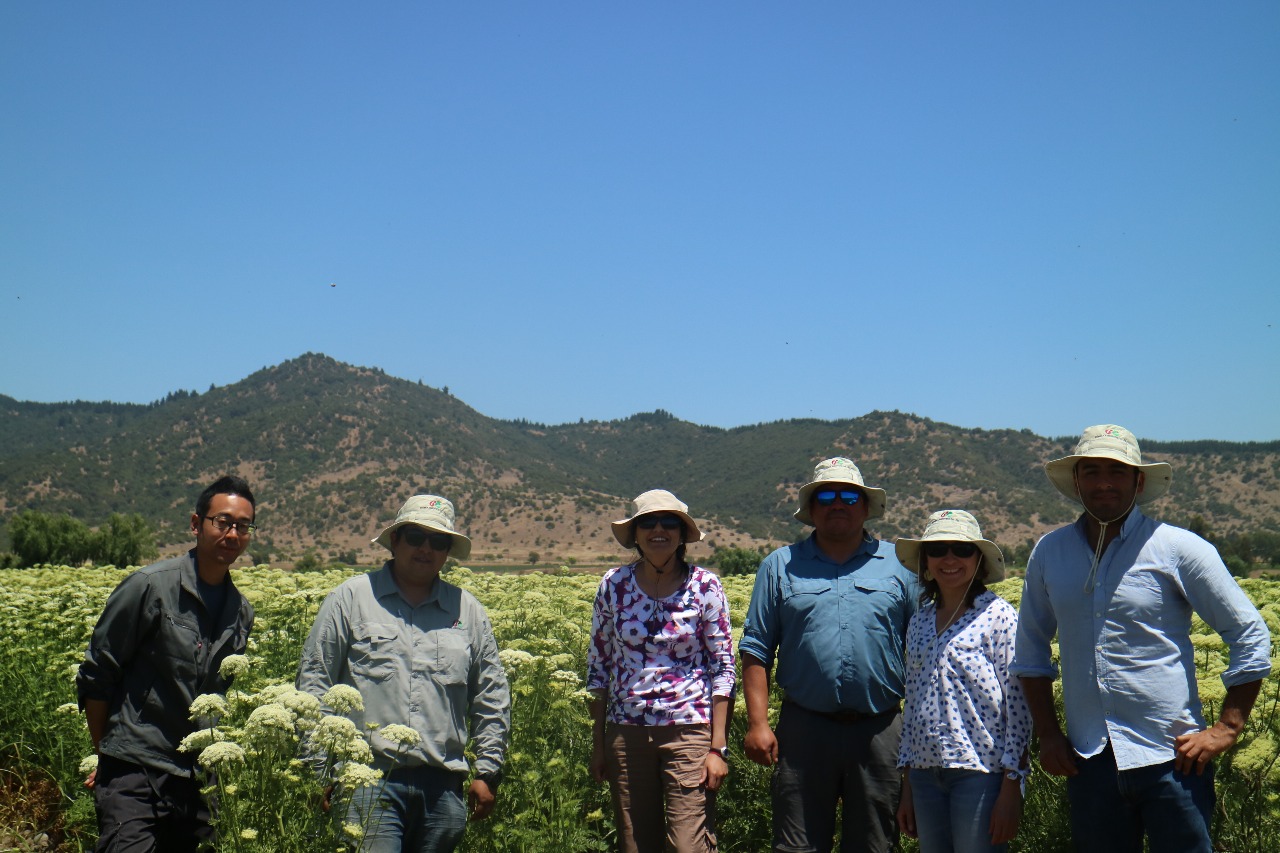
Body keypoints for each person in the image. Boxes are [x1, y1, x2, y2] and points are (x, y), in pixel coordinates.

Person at [1012, 424, 1272, 853]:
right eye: (1091, 472)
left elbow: (1249, 633)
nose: (1104, 483)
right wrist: (1050, 734)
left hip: (1173, 759)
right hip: (1089, 758)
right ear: (1076, 481)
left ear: (1139, 480)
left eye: (1116, 471)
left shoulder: (1178, 548)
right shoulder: (1049, 552)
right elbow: (1030, 652)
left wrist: (1227, 727)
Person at [296, 494, 509, 853]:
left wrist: (488, 771)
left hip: (442, 788)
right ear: (395, 540)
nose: (426, 548)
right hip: (366, 781)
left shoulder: (468, 610)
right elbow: (315, 683)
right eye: (415, 537)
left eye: (438, 541)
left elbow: (491, 695)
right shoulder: (349, 599)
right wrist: (320, 769)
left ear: (447, 551)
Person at [740, 456, 920, 853]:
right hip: (804, 730)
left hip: (881, 729)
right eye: (827, 496)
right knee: (797, 846)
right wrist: (758, 724)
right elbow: (755, 649)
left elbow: (925, 650)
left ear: (866, 506)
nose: (838, 503)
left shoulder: (902, 564)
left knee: (876, 844)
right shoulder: (779, 565)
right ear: (812, 509)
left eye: (849, 496)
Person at [76, 475, 258, 851]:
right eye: (222, 522)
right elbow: (97, 675)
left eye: (242, 526)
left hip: (198, 780)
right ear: (196, 524)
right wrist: (105, 755)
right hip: (135, 771)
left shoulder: (241, 613)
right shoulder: (150, 587)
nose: (232, 534)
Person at [587, 489, 736, 853]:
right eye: (647, 523)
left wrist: (718, 748)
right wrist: (598, 745)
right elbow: (598, 667)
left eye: (669, 522)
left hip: (689, 733)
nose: (659, 530)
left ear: (682, 534)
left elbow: (723, 668)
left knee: (688, 844)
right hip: (626, 734)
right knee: (635, 844)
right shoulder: (613, 585)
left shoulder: (705, 585)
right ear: (635, 534)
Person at [894, 510, 1031, 853]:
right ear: (926, 562)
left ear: (979, 560)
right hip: (925, 774)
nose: (950, 559)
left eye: (961, 549)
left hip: (981, 773)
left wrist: (1013, 784)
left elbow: (1019, 707)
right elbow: (912, 703)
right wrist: (908, 784)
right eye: (938, 550)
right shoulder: (920, 621)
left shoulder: (1000, 617)